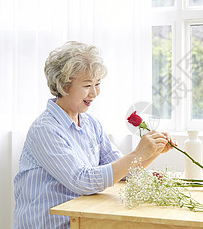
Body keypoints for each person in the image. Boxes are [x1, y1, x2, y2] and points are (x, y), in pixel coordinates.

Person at [13, 41, 177, 228]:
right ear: (64, 86)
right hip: (50, 223)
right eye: (87, 85)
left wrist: (151, 152)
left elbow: (122, 172)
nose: (94, 93)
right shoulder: (45, 129)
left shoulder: (91, 123)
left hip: (82, 219)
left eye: (97, 84)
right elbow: (82, 181)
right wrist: (138, 154)